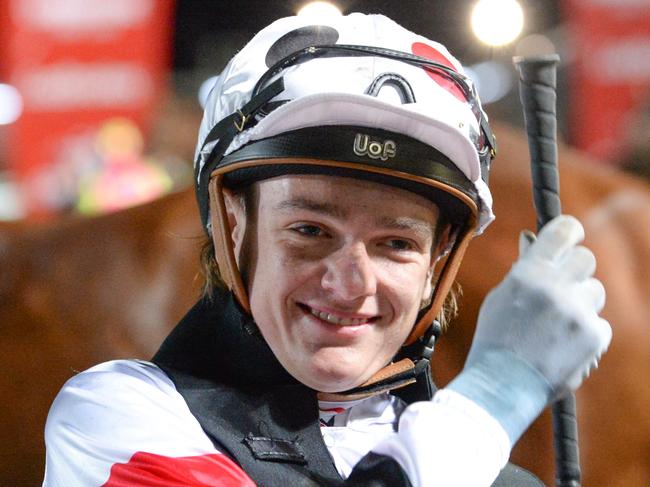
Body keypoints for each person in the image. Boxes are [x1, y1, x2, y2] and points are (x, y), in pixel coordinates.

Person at [42, 13, 611, 487]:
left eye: (397, 243)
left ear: (438, 261)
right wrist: (497, 393)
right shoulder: (114, 420)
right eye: (311, 230)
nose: (351, 283)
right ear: (232, 224)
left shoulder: (490, 471)